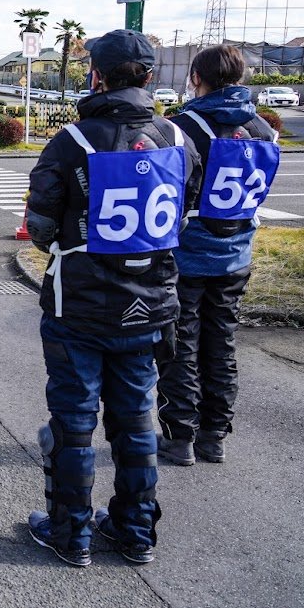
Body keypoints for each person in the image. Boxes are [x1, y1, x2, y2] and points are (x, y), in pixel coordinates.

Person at [25, 30, 201, 567]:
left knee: (74, 422)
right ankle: (135, 531)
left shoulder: (72, 141)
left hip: (78, 304)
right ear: (150, 76)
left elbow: (40, 227)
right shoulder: (178, 139)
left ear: (95, 75)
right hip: (150, 303)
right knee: (136, 418)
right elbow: (185, 214)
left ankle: (71, 533)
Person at [157, 45, 279, 466]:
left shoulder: (181, 128)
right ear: (242, 78)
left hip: (187, 254)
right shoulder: (263, 129)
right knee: (222, 342)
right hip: (236, 253)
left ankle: (179, 437)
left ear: (195, 78)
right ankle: (214, 436)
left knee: (180, 345)